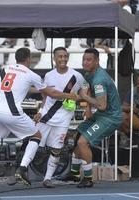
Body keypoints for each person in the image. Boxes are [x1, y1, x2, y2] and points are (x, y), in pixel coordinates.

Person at [0, 47, 77, 191]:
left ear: (16, 58)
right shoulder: (31, 74)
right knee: (36, 136)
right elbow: (52, 93)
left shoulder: (5, 69)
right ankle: (22, 169)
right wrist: (69, 96)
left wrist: (39, 89)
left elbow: (19, 86)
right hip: (13, 112)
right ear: (28, 59)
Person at [64, 48, 123, 188]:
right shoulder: (88, 74)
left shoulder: (99, 80)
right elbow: (85, 92)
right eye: (84, 59)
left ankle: (89, 178)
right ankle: (74, 173)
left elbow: (101, 105)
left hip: (110, 118)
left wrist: (84, 98)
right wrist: (86, 107)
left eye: (89, 60)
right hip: (101, 114)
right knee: (78, 136)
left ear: (97, 61)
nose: (85, 62)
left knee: (82, 143)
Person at [31, 47, 85, 188]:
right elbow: (45, 97)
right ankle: (22, 169)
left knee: (57, 149)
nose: (63, 59)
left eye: (65, 56)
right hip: (47, 116)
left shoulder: (77, 76)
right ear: (54, 59)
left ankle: (47, 179)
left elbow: (84, 92)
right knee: (34, 143)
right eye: (60, 56)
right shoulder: (48, 75)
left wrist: (78, 98)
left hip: (64, 118)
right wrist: (41, 111)